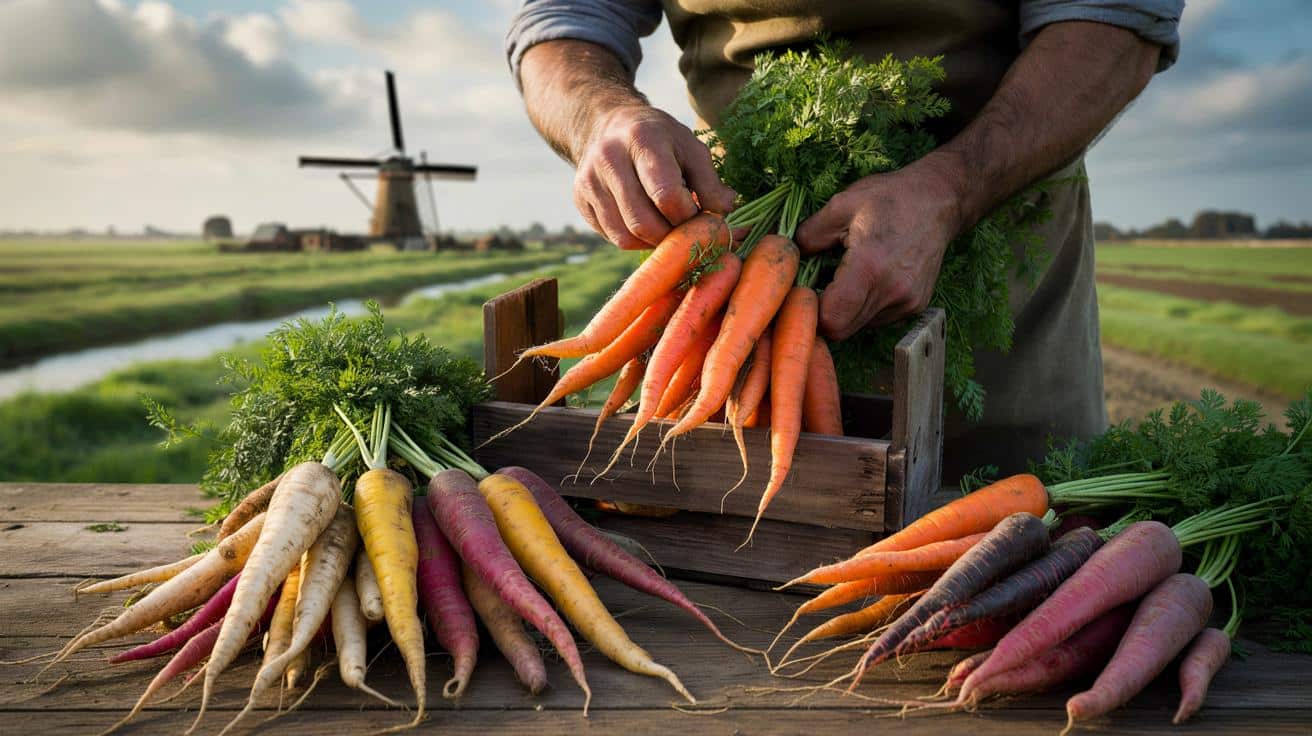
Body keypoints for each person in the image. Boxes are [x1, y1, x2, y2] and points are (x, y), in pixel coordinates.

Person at [504, 1, 1183, 478]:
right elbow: (562, 19)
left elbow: (1115, 20)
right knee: (725, 490)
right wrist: (600, 114)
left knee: (1010, 542)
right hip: (733, 250)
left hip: (992, 261)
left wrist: (950, 192)